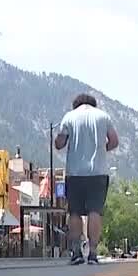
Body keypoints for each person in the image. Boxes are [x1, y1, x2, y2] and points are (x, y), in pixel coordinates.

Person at [55, 93, 118, 265]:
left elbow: (59, 143)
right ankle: (93, 253)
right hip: (98, 172)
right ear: (93, 104)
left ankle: (76, 252)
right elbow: (114, 141)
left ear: (76, 104)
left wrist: (62, 139)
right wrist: (102, 149)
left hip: (74, 173)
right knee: (94, 211)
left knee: (74, 212)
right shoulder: (103, 116)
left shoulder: (69, 117)